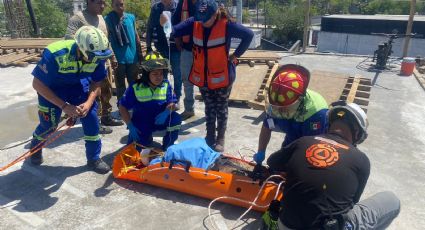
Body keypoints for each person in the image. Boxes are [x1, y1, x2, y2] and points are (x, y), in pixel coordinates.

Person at [264, 101, 400, 230]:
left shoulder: (303, 141)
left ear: (330, 125)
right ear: (357, 133)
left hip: (286, 225)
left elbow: (272, 162)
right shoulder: (361, 160)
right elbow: (352, 202)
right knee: (392, 201)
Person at [172, 0, 254, 152]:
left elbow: (248, 35)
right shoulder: (196, 21)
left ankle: (220, 137)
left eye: (207, 19)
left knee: (221, 108)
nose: (203, 23)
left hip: (222, 77)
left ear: (216, 13)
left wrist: (235, 55)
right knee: (209, 108)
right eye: (200, 18)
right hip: (203, 78)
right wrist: (169, 26)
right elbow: (176, 30)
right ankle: (210, 136)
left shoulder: (227, 25)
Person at [30, 26, 113, 174]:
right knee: (49, 124)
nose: (97, 61)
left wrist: (88, 103)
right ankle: (35, 147)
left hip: (77, 85)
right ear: (81, 49)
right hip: (52, 88)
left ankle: (94, 158)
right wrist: (64, 106)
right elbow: (37, 84)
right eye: (93, 57)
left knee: (91, 117)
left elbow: (96, 82)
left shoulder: (97, 54)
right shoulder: (55, 54)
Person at [65, 0, 124, 133]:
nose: (102, 6)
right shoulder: (78, 18)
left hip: (103, 62)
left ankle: (106, 116)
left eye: (104, 3)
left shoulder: (101, 18)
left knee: (106, 91)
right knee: (93, 93)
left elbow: (105, 40)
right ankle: (95, 122)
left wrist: (112, 56)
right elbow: (69, 39)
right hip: (87, 64)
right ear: (89, 2)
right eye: (99, 3)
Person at [253, 64, 328, 165]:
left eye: (284, 109)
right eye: (277, 108)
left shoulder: (316, 113)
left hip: (313, 140)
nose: (279, 112)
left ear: (298, 101)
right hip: (292, 134)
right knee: (277, 164)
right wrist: (261, 151)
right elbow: (267, 126)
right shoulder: (276, 100)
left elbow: (311, 150)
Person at [118, 52, 181, 150]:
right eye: (155, 74)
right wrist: (130, 125)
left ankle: (168, 146)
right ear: (147, 74)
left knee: (175, 119)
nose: (158, 77)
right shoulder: (135, 87)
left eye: (161, 73)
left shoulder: (166, 84)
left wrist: (167, 112)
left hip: (160, 120)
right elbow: (122, 107)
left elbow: (174, 104)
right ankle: (146, 138)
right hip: (142, 122)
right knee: (135, 151)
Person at [105, 0, 142, 101]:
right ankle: (121, 107)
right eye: (116, 5)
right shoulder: (108, 19)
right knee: (120, 85)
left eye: (121, 4)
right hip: (118, 58)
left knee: (134, 84)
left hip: (132, 57)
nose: (119, 7)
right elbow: (106, 39)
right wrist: (112, 57)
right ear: (112, 6)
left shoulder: (131, 17)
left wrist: (140, 53)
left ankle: (134, 105)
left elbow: (136, 35)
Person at [146, 0, 182, 104]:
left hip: (176, 48)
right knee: (162, 74)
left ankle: (176, 99)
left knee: (177, 74)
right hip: (160, 48)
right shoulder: (156, 8)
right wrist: (148, 47)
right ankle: (165, 97)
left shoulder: (178, 6)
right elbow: (150, 27)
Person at [171, 0, 198, 120]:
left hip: (204, 49)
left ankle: (211, 110)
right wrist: (177, 39)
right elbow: (174, 21)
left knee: (206, 81)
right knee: (187, 80)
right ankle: (189, 109)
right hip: (187, 48)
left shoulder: (207, 3)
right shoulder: (183, 2)